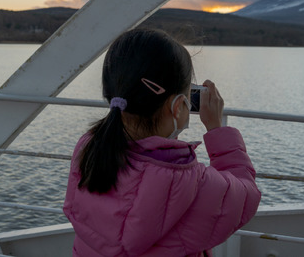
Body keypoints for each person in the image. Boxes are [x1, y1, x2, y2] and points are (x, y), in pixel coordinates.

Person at [63, 29, 261, 256]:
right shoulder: (190, 182)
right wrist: (217, 129)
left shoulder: (88, 149)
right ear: (178, 107)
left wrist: (165, 138)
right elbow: (247, 195)